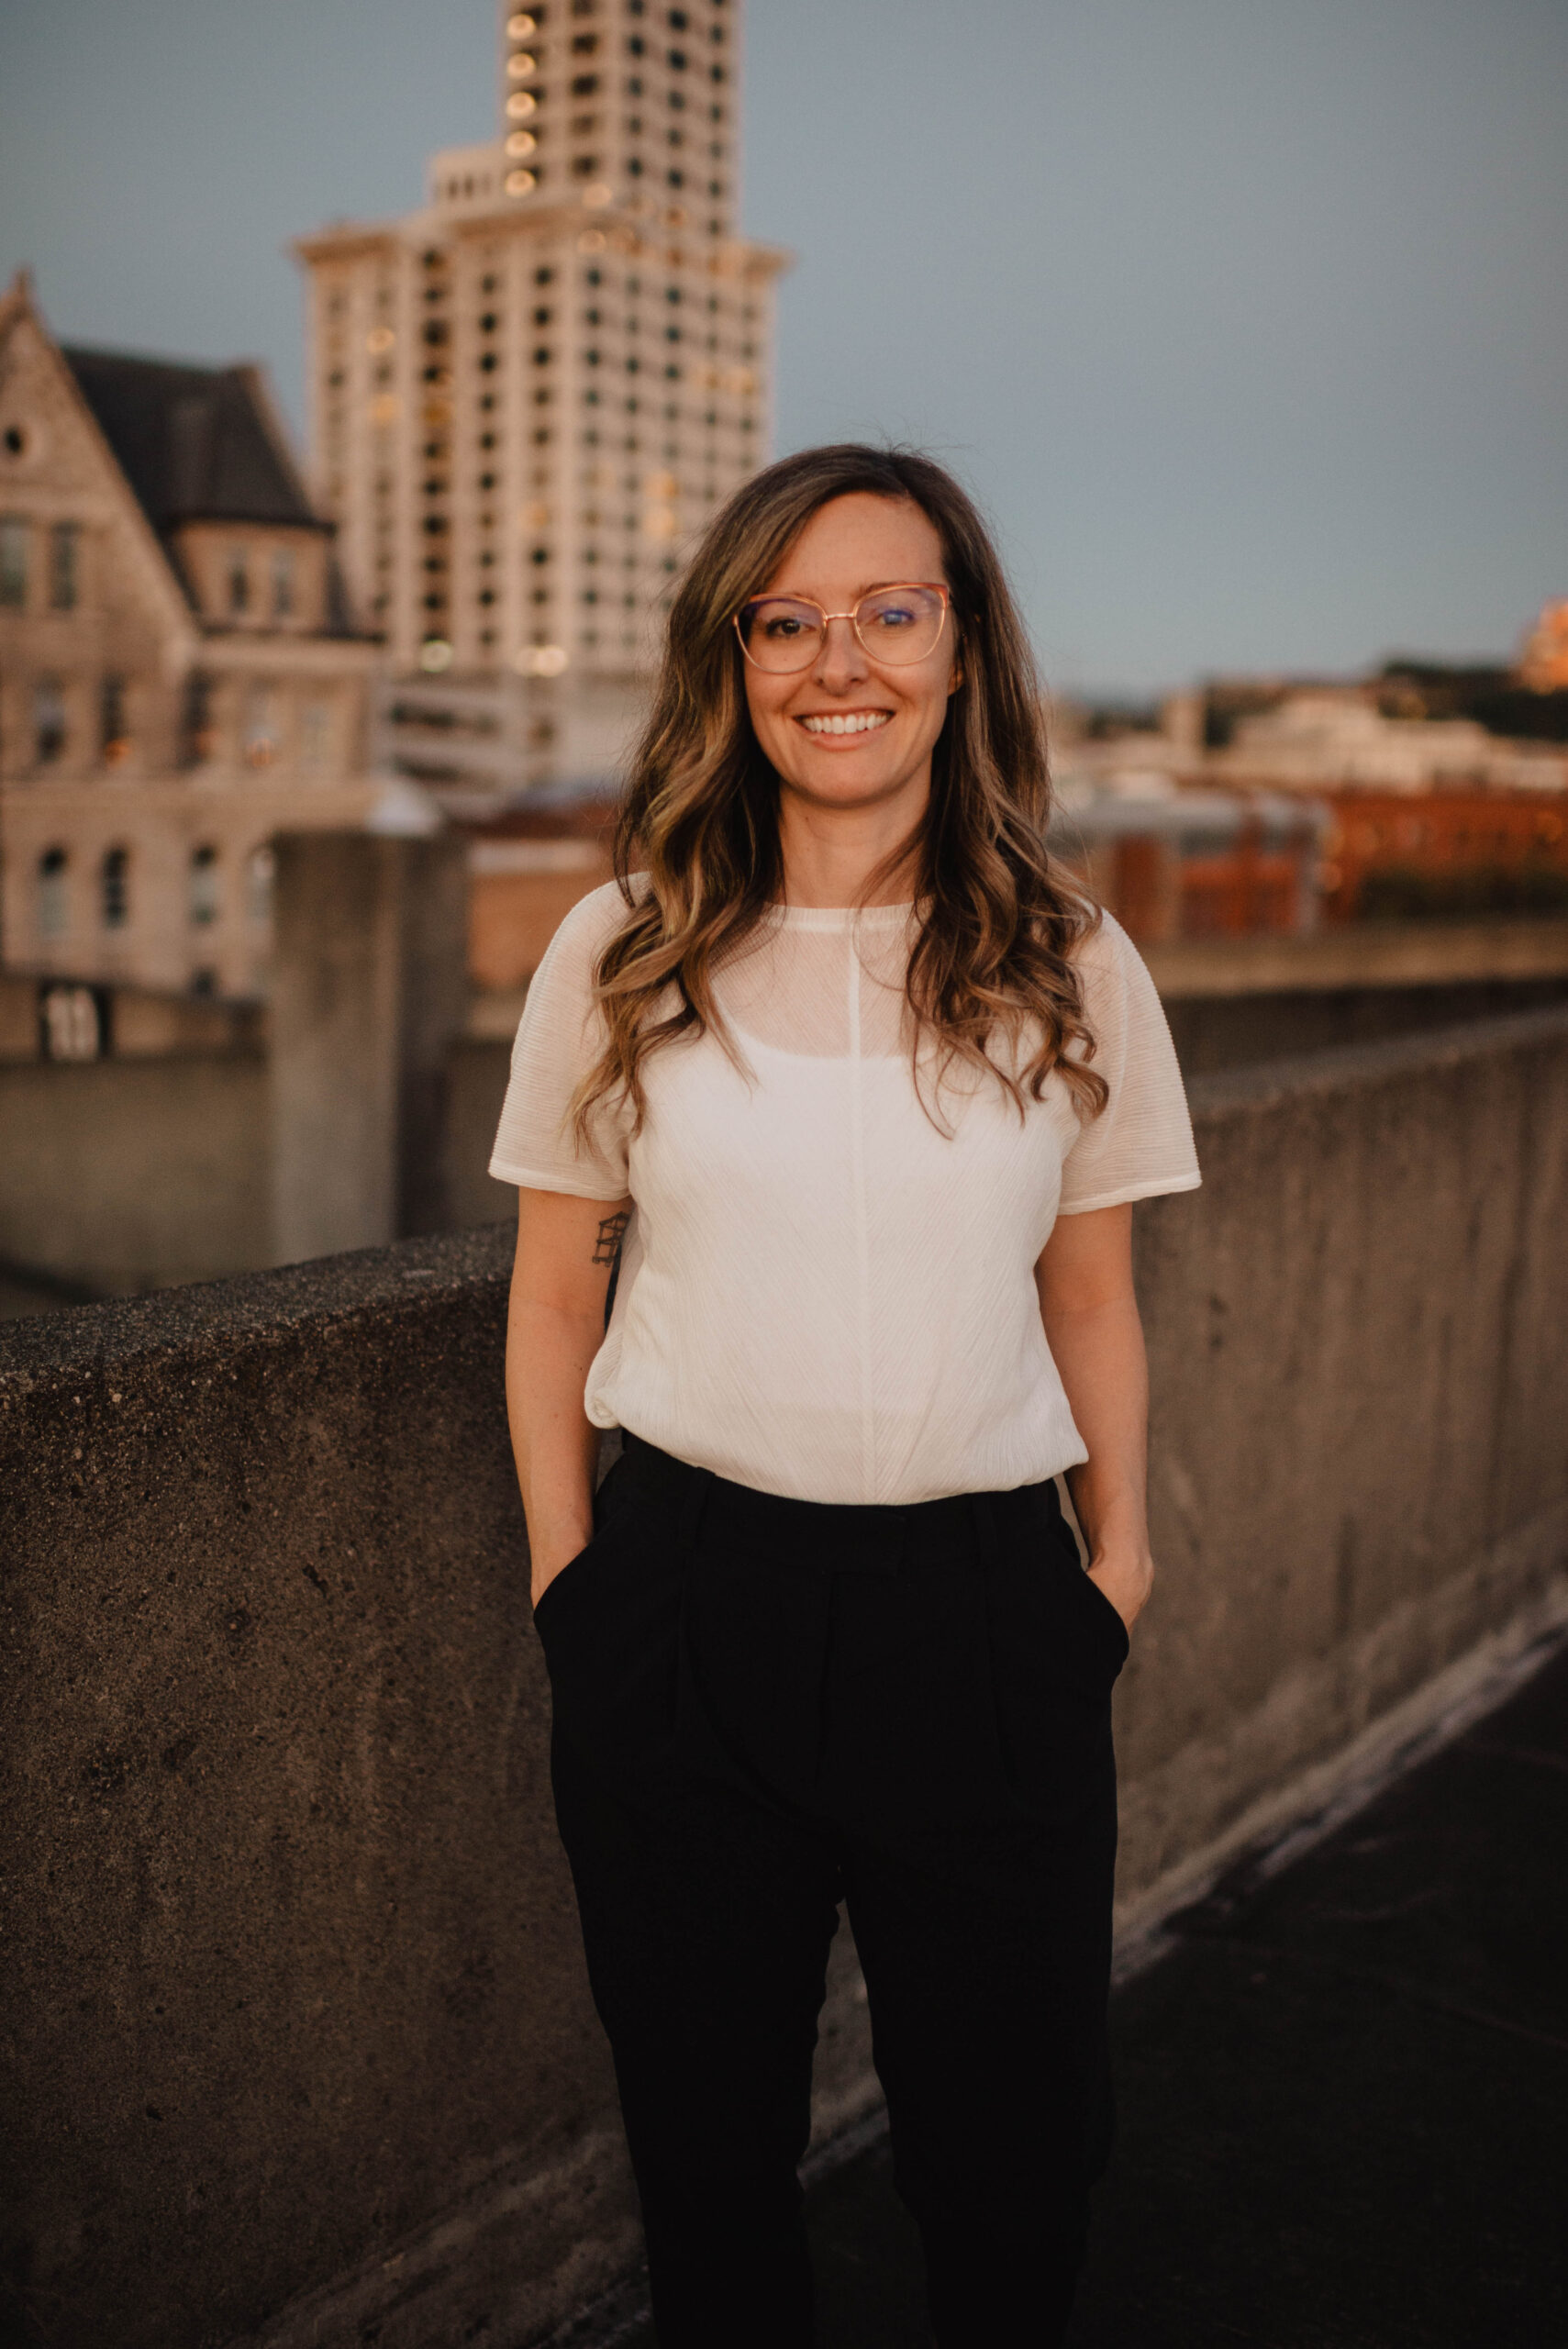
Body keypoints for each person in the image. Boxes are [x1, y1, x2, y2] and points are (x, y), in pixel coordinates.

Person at [490, 443, 1200, 2348]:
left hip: (982, 1621)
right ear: (733, 662)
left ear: (962, 649)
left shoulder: (1073, 957)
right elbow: (557, 1293)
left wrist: (1110, 1577)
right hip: (683, 1613)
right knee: (711, 2177)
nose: (838, 659)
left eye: (891, 608)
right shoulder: (623, 946)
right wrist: (576, 1588)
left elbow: (1095, 1295)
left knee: (1017, 2167)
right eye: (784, 619)